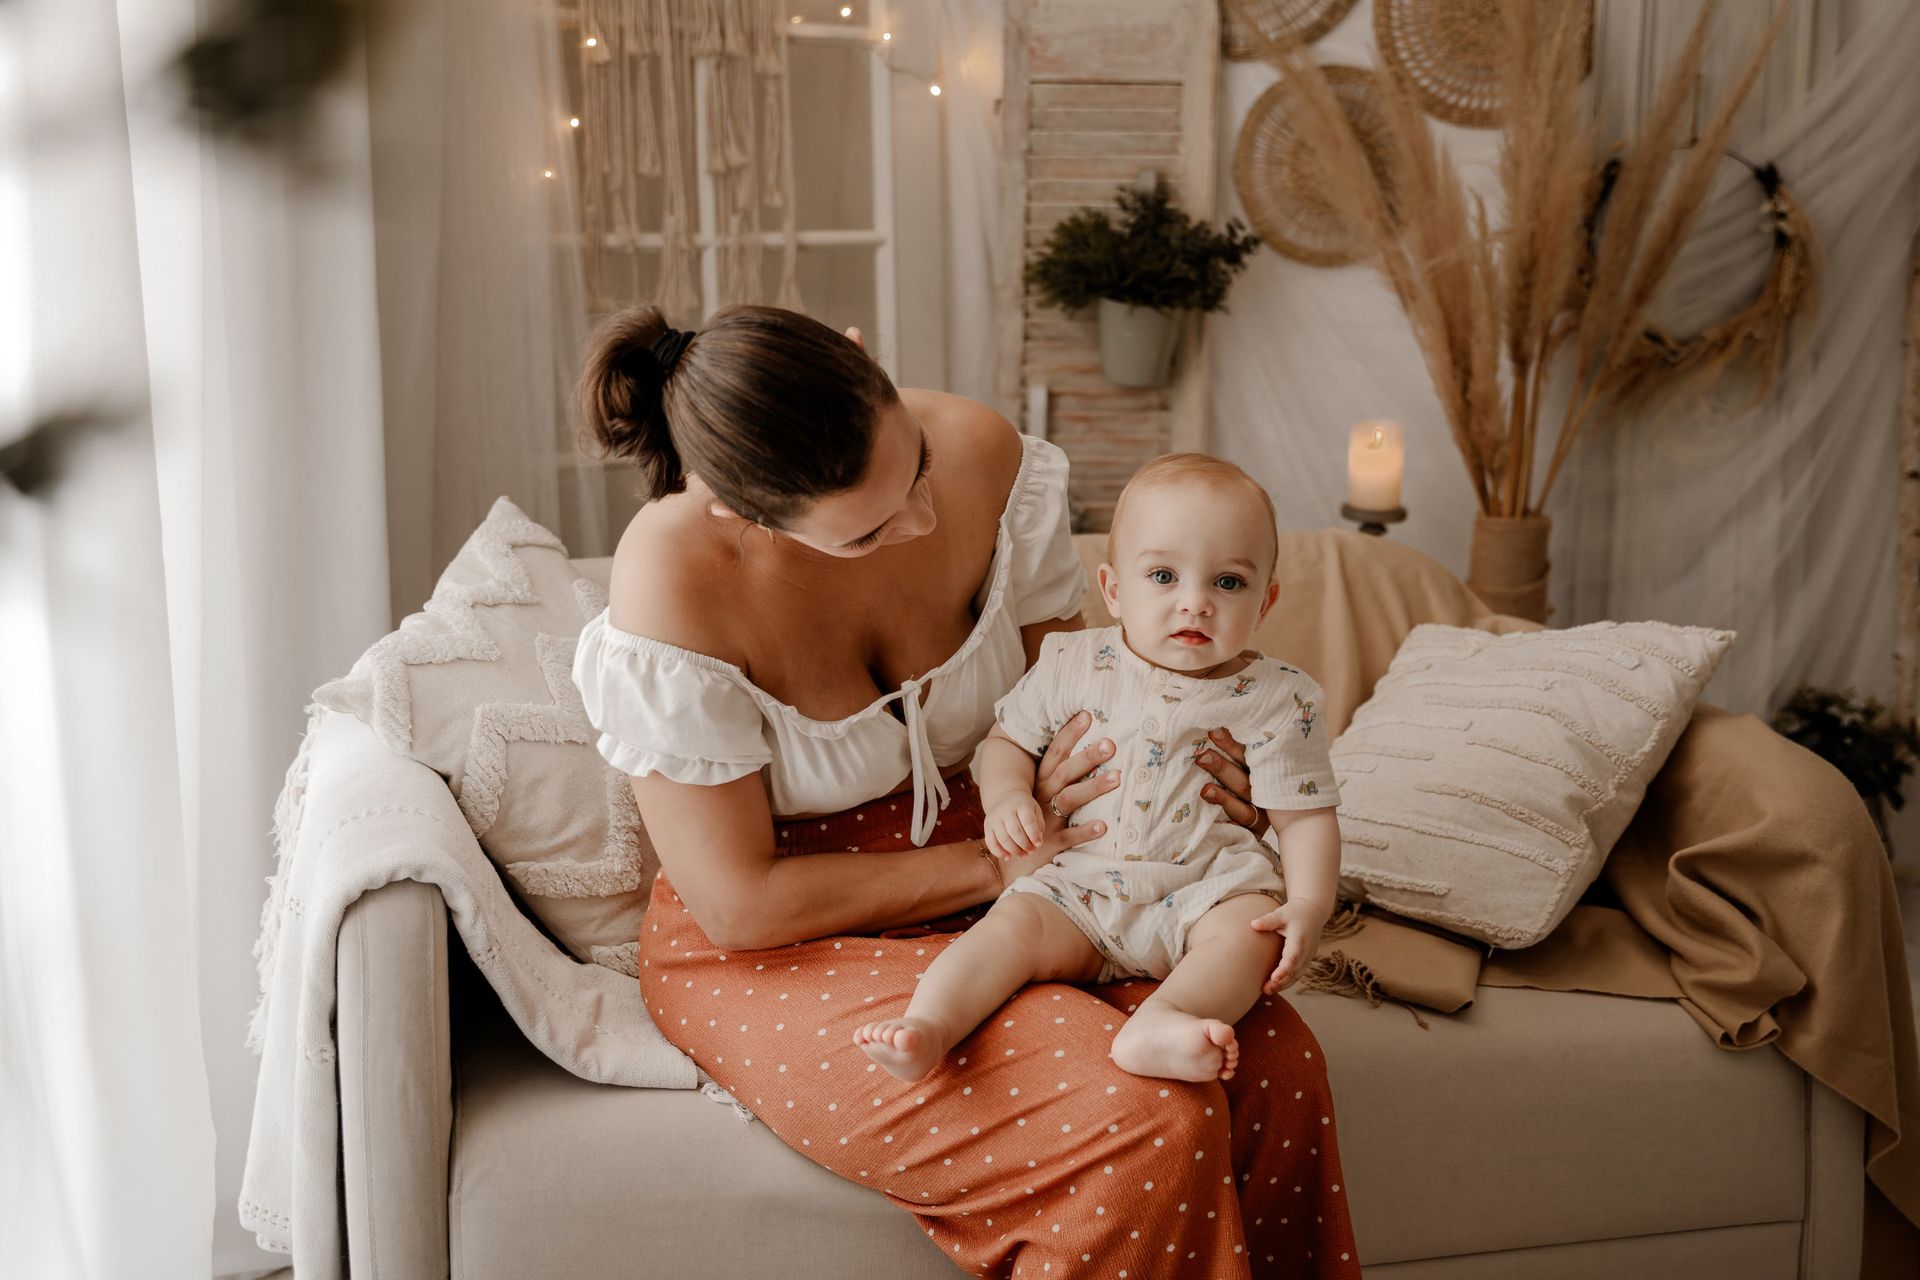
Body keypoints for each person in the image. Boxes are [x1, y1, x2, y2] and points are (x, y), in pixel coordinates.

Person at [570, 303, 1360, 1277]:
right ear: (744, 513)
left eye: (917, 467)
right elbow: (741, 904)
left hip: (1038, 868)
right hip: (787, 935)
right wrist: (992, 865)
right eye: (868, 532)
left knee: (1277, 1066)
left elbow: (1087, 701)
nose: (924, 521)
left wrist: (1218, 787)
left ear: (864, 358)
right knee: (1140, 1116)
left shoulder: (983, 449)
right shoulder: (673, 572)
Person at [853, 455, 1341, 1089]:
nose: (1195, 603)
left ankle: (1164, 1021)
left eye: (1228, 582)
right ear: (1113, 590)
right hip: (1079, 886)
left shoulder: (1280, 697)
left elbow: (1305, 818)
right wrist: (1007, 797)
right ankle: (930, 1025)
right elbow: (1007, 741)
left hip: (1205, 889)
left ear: (1266, 601)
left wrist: (1310, 905)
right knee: (1009, 928)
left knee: (1253, 935)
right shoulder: (1073, 662)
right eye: (1163, 576)